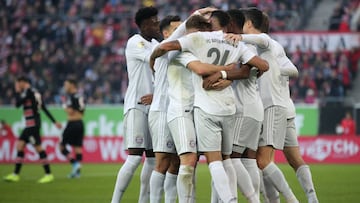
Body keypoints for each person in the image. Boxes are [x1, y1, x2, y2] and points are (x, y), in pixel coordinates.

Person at [151, 14, 269, 203]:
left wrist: (225, 75)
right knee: (186, 162)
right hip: (181, 110)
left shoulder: (198, 42)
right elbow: (199, 69)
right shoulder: (189, 49)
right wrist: (226, 71)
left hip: (203, 109)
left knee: (214, 160)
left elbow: (173, 51)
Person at [225, 8, 299, 203]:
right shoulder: (253, 48)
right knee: (253, 159)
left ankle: (291, 199)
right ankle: (269, 200)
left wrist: (223, 74)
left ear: (247, 24)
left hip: (267, 107)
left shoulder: (264, 43)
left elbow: (263, 41)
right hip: (260, 107)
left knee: (256, 160)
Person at [111, 6, 161, 203]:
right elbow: (155, 61)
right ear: (145, 24)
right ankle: (115, 201)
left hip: (154, 106)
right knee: (134, 158)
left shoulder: (156, 42)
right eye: (155, 22)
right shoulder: (135, 42)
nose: (157, 24)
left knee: (151, 159)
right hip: (136, 106)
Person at [148, 15, 182, 203]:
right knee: (162, 162)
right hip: (161, 110)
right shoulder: (159, 48)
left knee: (176, 162)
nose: (181, 31)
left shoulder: (180, 49)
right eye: (176, 28)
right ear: (166, 33)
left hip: (178, 111)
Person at [3, 76, 61, 183]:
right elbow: (43, 108)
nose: (17, 86)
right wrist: (54, 121)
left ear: (22, 82)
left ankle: (48, 174)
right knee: (20, 146)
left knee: (38, 147)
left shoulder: (28, 92)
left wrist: (17, 92)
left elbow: (17, 104)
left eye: (17, 83)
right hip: (30, 124)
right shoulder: (35, 92)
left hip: (32, 125)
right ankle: (15, 174)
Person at [59, 78, 86, 178]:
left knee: (61, 147)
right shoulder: (80, 96)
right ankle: (77, 173)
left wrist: (64, 106)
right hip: (80, 123)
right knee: (77, 148)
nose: (65, 87)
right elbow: (82, 111)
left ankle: (75, 164)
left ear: (72, 85)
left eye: (66, 84)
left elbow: (70, 111)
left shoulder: (71, 97)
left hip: (72, 123)